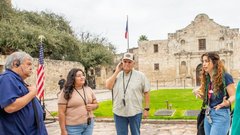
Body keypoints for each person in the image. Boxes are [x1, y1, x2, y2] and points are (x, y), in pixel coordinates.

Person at [0, 51, 48, 135]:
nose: (31, 67)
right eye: (28, 64)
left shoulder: (18, 80)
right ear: (16, 64)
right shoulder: (7, 78)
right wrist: (32, 93)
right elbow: (10, 106)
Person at [105, 52, 150, 135]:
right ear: (121, 62)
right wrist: (117, 71)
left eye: (129, 62)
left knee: (135, 133)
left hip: (135, 111)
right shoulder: (117, 75)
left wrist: (146, 109)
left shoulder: (141, 76)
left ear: (133, 63)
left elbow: (146, 92)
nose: (127, 64)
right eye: (125, 61)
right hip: (119, 112)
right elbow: (108, 86)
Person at [193, 52, 235, 135]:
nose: (204, 64)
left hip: (221, 115)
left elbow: (233, 95)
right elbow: (208, 98)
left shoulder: (225, 76)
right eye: (203, 61)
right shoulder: (207, 78)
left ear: (214, 62)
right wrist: (197, 93)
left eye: (207, 61)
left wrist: (227, 102)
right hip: (208, 115)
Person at [58, 68, 99, 135]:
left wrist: (94, 106)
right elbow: (61, 112)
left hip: (88, 125)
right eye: (79, 76)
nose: (82, 77)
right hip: (72, 127)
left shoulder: (88, 89)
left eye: (83, 75)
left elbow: (96, 103)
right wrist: (63, 130)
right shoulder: (65, 92)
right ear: (73, 78)